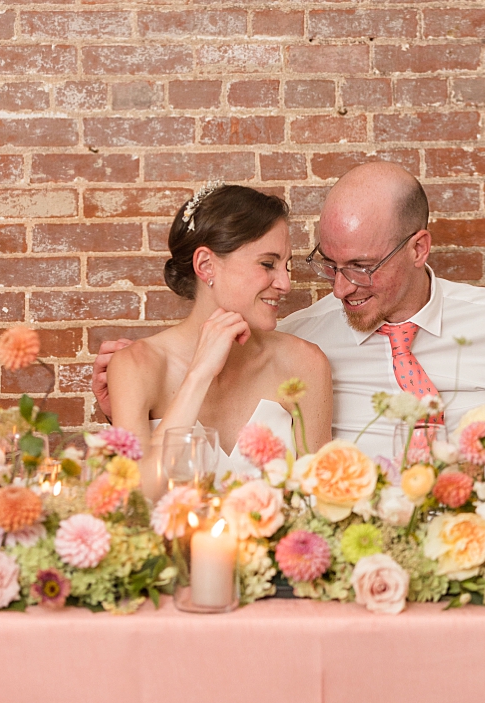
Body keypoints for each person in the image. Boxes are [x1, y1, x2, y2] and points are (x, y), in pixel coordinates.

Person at [95, 162, 485, 476]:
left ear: (419, 248)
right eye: (329, 264)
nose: (336, 287)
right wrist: (127, 410)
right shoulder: (299, 335)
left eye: (361, 267)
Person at [106, 182, 332, 499]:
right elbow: (135, 498)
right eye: (268, 264)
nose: (285, 283)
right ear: (206, 265)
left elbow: (320, 501)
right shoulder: (136, 365)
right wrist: (199, 375)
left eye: (287, 266)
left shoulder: (305, 364)